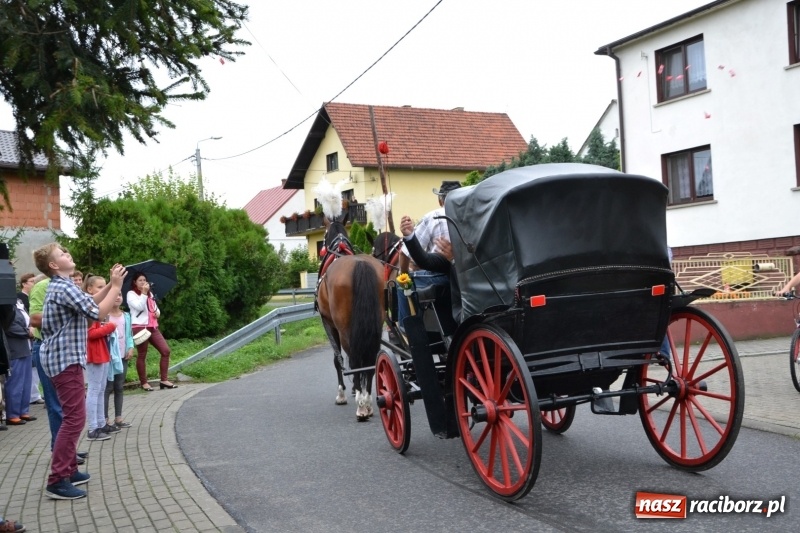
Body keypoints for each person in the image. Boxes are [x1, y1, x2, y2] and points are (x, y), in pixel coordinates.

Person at [34, 243, 126, 500]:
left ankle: (70, 470)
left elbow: (89, 302)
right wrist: (117, 287)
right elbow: (97, 312)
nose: (68, 254)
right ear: (53, 265)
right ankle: (57, 479)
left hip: (63, 360)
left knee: (72, 417)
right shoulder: (62, 287)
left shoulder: (65, 287)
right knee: (74, 419)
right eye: (62, 254)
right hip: (65, 361)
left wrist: (109, 283)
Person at [29, 267, 87, 465]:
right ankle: (60, 456)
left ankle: (67, 454)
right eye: (63, 254)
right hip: (50, 349)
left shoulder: (69, 286)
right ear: (52, 264)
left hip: (68, 351)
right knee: (56, 407)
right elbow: (34, 319)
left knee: (72, 412)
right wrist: (67, 316)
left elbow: (90, 309)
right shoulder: (42, 286)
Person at [396, 180, 461, 330]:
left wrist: (404, 274)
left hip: (443, 278)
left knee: (401, 284)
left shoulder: (434, 217)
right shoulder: (471, 215)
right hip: (468, 276)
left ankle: (407, 330)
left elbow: (405, 254)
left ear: (440, 200)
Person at [83, 275, 118, 441]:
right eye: (99, 287)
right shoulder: (88, 306)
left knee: (101, 389)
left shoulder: (96, 306)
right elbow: (90, 333)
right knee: (94, 390)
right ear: (89, 289)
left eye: (105, 286)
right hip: (93, 353)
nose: (103, 289)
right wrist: (110, 327)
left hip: (101, 352)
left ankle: (101, 423)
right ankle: (93, 428)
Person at [127, 271, 176, 390]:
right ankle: (144, 382)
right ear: (135, 282)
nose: (143, 282)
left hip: (152, 326)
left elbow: (155, 308)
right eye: (140, 280)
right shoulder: (131, 294)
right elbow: (138, 306)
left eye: (144, 280)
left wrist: (156, 312)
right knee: (142, 354)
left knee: (166, 351)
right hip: (139, 327)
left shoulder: (150, 294)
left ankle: (164, 380)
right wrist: (144, 293)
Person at [1, 297, 35, 426]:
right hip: (15, 349)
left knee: (26, 382)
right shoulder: (7, 306)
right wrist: (28, 332)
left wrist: (31, 327)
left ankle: (23, 411)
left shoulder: (19, 303)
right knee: (16, 383)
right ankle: (13, 414)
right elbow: (9, 327)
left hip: (26, 348)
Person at [105, 291, 134, 429]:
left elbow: (129, 334)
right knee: (107, 387)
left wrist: (130, 347)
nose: (117, 297)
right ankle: (105, 419)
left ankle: (119, 418)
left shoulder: (126, 316)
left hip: (123, 355)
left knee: (119, 386)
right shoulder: (104, 316)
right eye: (114, 295)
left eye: (120, 295)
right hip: (109, 357)